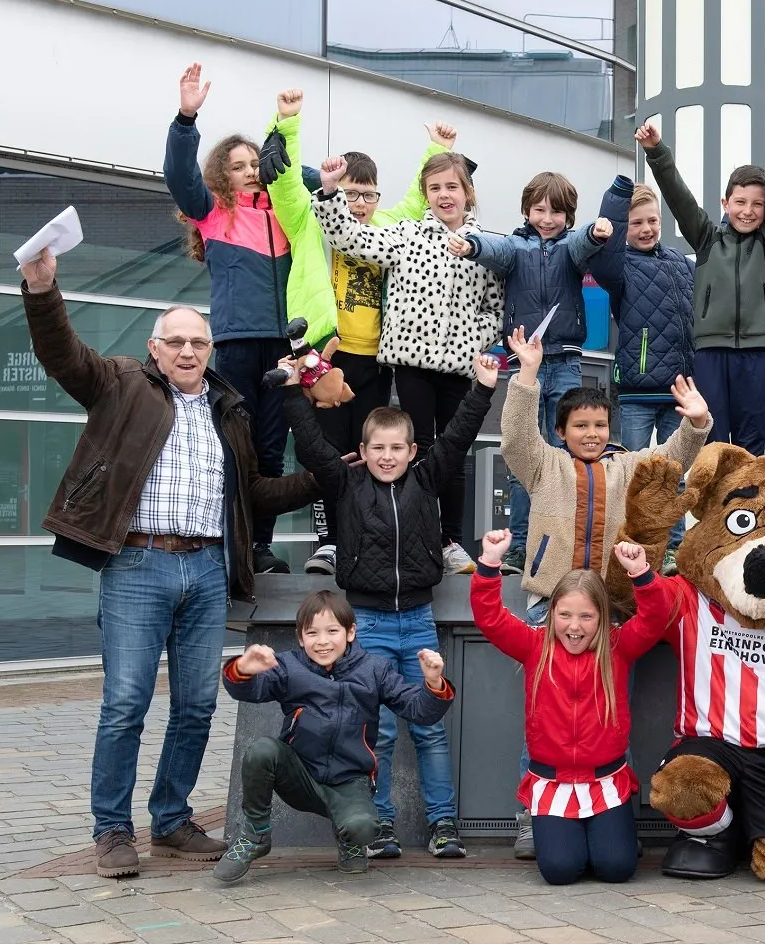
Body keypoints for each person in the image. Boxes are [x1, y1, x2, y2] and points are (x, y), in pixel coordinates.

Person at [19, 248, 318, 878]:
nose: (188, 352)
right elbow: (63, 355)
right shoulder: (123, 383)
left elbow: (256, 492)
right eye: (176, 342)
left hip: (208, 570)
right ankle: (111, 829)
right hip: (137, 565)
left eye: (199, 343)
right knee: (126, 702)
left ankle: (173, 820)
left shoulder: (228, 410)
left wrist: (324, 478)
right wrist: (44, 291)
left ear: (211, 350)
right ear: (155, 349)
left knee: (196, 706)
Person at [275, 348, 499, 861]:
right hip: (368, 626)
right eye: (377, 448)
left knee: (429, 729)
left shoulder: (427, 478)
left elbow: (461, 431)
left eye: (397, 447)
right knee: (377, 731)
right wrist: (291, 390)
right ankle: (381, 825)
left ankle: (444, 824)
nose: (387, 457)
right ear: (363, 449)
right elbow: (310, 444)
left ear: (413, 449)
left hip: (417, 622)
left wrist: (484, 386)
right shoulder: (346, 481)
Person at [500, 325, 713, 858]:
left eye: (599, 425)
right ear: (562, 429)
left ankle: (613, 813)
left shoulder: (627, 468)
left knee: (611, 715)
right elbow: (515, 439)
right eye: (580, 426)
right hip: (550, 606)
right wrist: (527, 373)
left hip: (614, 613)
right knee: (541, 717)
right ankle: (533, 814)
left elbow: (670, 463)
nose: (591, 433)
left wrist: (696, 423)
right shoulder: (542, 464)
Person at [263, 86, 464, 574]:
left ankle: (366, 534)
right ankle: (329, 540)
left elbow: (422, 197)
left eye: (369, 195)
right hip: (323, 355)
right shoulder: (309, 222)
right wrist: (286, 122)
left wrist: (437, 149)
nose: (359, 204)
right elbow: (285, 187)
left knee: (368, 449)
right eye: (351, 193)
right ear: (335, 189)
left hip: (374, 358)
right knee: (326, 450)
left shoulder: (389, 225)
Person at [163, 63, 332, 575]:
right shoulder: (213, 211)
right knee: (231, 446)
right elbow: (179, 176)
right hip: (236, 344)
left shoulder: (285, 212)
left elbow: (294, 176)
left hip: (284, 348)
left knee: (270, 451)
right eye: (239, 165)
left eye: (256, 162)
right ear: (223, 175)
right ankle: (220, 538)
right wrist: (186, 118)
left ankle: (259, 546)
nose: (251, 170)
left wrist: (320, 174)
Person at [315, 147, 502, 577]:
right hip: (412, 364)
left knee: (453, 453)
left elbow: (496, 309)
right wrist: (329, 194)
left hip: (458, 368)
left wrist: (470, 342)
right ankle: (416, 533)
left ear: (467, 193)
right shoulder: (406, 234)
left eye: (451, 187)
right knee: (416, 451)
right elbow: (352, 238)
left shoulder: (486, 247)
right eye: (434, 188)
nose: (443, 195)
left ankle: (451, 540)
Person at [471, 531, 675, 885]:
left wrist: (641, 573)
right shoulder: (535, 646)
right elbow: (490, 619)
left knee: (617, 869)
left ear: (603, 617)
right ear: (551, 614)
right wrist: (489, 562)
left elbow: (655, 618)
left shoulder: (618, 646)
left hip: (606, 780)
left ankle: (607, 838)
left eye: (586, 616)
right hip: (553, 782)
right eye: (565, 615)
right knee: (561, 871)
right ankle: (580, 839)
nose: (575, 627)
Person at [213, 591, 455, 882]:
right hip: (301, 775)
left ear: (351, 632)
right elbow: (251, 691)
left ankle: (349, 839)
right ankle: (255, 834)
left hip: (349, 781)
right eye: (312, 633)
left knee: (364, 827)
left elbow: (419, 710)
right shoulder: (289, 666)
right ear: (301, 638)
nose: (323, 641)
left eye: (332, 631)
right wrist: (242, 670)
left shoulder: (375, 669)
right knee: (261, 751)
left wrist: (433, 682)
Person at [448, 172, 604, 575]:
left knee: (566, 455)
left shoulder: (571, 247)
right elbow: (492, 247)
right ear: (526, 211)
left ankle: (567, 537)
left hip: (567, 362)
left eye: (556, 211)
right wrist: (471, 245)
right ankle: (518, 544)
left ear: (568, 216)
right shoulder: (516, 248)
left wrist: (598, 231)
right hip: (524, 365)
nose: (547, 218)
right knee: (520, 455)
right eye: (539, 210)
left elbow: (584, 240)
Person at [636, 114, 765, 456]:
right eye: (740, 202)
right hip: (709, 354)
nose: (748, 211)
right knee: (713, 444)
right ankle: (716, 511)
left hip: (754, 354)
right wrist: (656, 151)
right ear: (726, 204)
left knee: (752, 445)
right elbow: (678, 197)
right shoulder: (708, 238)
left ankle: (746, 509)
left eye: (757, 204)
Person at [589, 176, 696, 572]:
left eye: (652, 221)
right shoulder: (618, 267)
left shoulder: (681, 265)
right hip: (637, 390)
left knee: (675, 476)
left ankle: (674, 548)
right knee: (633, 474)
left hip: (679, 390)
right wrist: (617, 195)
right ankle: (631, 546)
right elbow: (604, 250)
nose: (647, 229)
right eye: (636, 223)